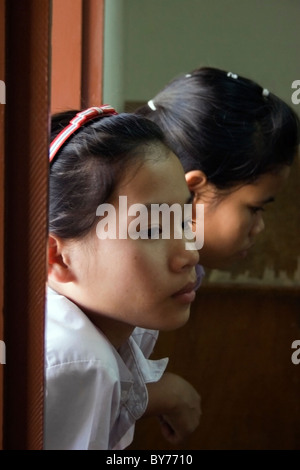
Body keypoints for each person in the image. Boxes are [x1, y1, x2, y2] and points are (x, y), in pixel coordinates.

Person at [44, 106, 201, 450]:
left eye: (183, 220)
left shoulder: (122, 326)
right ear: (58, 256)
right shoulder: (78, 361)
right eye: (152, 229)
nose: (190, 253)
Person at [135, 66, 300, 273]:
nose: (259, 228)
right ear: (191, 195)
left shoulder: (179, 275)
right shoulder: (138, 291)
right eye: (255, 208)